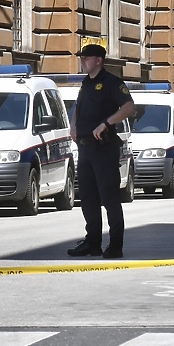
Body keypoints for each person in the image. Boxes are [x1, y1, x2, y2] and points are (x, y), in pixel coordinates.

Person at [68, 43, 136, 259]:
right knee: (88, 198)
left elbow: (129, 107)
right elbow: (79, 108)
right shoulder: (85, 84)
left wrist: (106, 123)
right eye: (82, 58)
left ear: (99, 60)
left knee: (109, 198)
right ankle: (93, 242)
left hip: (104, 149)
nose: (83, 61)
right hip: (86, 148)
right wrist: (73, 125)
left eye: (87, 58)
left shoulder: (112, 83)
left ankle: (115, 245)